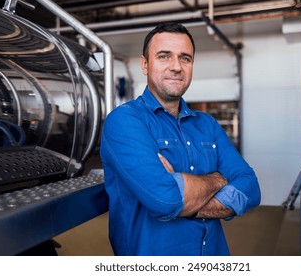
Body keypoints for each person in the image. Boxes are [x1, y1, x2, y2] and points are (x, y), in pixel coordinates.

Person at [100, 22, 261, 256]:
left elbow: (251, 188)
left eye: (185, 58)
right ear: (145, 64)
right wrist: (218, 179)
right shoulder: (124, 121)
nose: (176, 67)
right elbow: (165, 200)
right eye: (164, 56)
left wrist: (183, 194)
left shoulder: (207, 124)